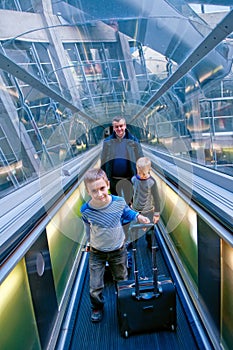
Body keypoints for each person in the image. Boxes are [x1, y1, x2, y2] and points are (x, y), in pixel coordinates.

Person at [80, 168, 150, 323]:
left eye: (102, 188)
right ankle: (97, 306)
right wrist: (88, 243)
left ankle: (123, 303)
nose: (99, 194)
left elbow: (128, 213)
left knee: (122, 279)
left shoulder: (118, 202)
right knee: (95, 285)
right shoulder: (86, 210)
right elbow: (87, 227)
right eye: (94, 191)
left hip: (118, 250)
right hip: (97, 253)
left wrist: (139, 217)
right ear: (88, 191)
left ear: (108, 185)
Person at [100, 116, 143, 204]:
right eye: (116, 126)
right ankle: (119, 216)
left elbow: (140, 159)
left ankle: (129, 215)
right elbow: (103, 160)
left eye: (121, 126)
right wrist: (103, 178)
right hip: (113, 179)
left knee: (130, 199)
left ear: (125, 126)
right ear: (113, 127)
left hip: (130, 178)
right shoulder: (107, 142)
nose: (119, 129)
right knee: (116, 201)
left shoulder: (134, 141)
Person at [131, 157, 160, 249]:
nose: (141, 175)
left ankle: (150, 244)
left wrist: (156, 213)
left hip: (148, 210)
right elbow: (132, 192)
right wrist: (131, 203)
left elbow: (156, 198)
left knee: (149, 229)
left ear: (149, 170)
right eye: (139, 173)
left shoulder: (152, 182)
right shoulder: (134, 179)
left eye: (144, 173)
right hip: (136, 209)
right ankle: (133, 243)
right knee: (134, 228)